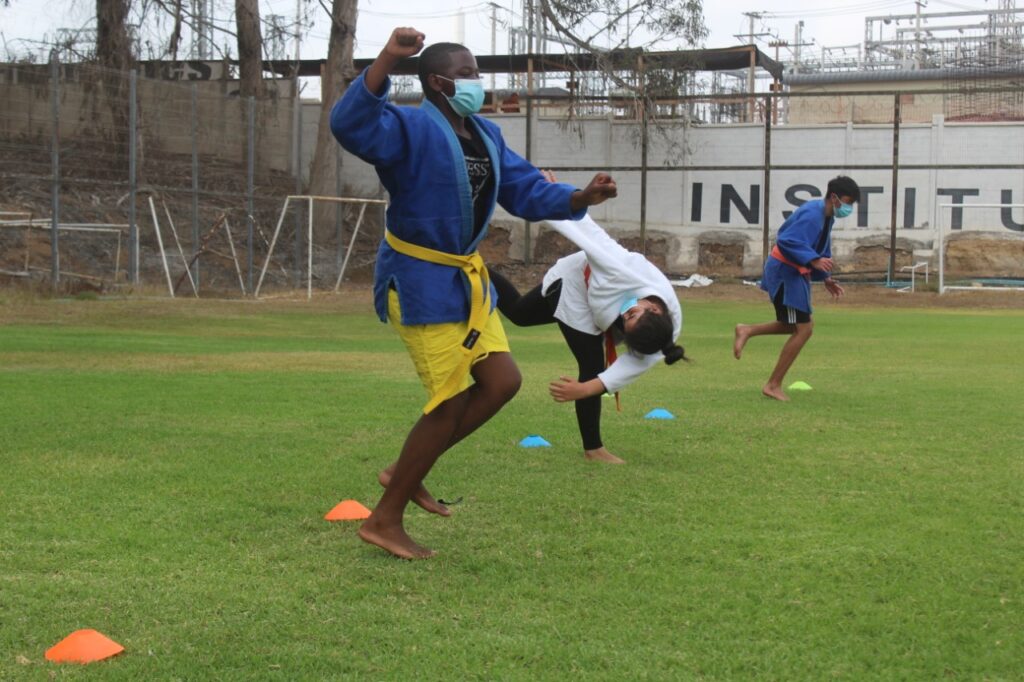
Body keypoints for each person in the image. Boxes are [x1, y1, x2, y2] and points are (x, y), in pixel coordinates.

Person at [330, 27, 618, 559]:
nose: (476, 83)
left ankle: (404, 469)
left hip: (466, 280)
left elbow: (525, 187)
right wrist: (388, 60)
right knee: (452, 399)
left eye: (477, 72)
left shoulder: (485, 134)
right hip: (419, 280)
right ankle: (383, 519)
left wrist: (581, 195)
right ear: (438, 82)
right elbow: (350, 124)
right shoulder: (410, 128)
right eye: (466, 74)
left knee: (503, 380)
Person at [491, 213, 686, 464]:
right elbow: (590, 234)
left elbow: (625, 369)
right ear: (654, 308)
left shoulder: (661, 339)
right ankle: (593, 449)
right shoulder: (618, 268)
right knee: (592, 366)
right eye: (631, 314)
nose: (626, 314)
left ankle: (478, 271)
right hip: (575, 285)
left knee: (519, 313)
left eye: (627, 321)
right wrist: (555, 202)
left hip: (595, 297)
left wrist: (583, 389)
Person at [733, 175, 860, 401]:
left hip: (794, 273)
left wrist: (825, 277)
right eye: (847, 202)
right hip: (785, 273)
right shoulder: (813, 215)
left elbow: (821, 249)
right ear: (834, 197)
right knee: (804, 328)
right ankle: (772, 385)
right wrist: (813, 261)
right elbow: (787, 240)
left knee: (793, 325)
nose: (849, 208)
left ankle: (747, 330)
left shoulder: (826, 216)